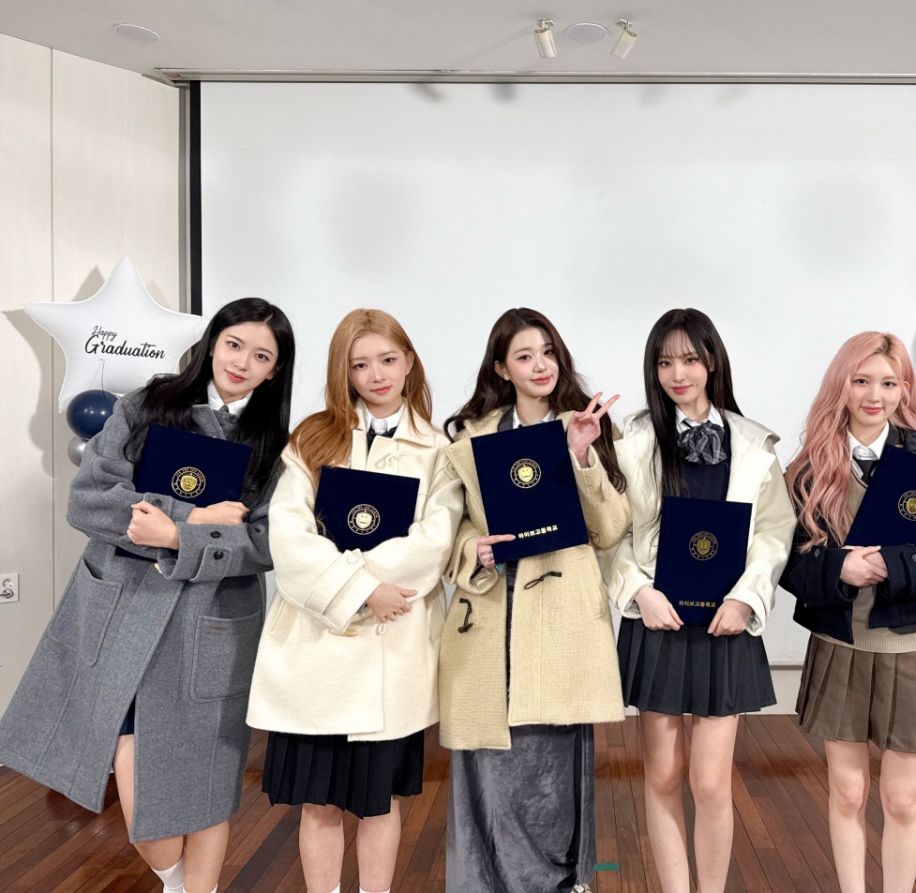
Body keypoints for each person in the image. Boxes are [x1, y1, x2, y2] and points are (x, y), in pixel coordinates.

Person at [0, 298, 295, 893]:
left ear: (274, 372)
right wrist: (190, 518)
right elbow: (89, 499)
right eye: (234, 344)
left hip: (212, 623)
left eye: (262, 356)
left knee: (208, 781)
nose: (242, 362)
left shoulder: (275, 444)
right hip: (124, 609)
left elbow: (265, 543)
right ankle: (178, 883)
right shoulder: (147, 404)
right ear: (213, 343)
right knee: (135, 774)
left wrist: (178, 538)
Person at [246, 309, 462, 893]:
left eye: (387, 360)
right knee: (317, 805)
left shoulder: (440, 450)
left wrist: (373, 585)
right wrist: (364, 589)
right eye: (360, 365)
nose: (377, 375)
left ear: (409, 361)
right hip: (315, 653)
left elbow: (436, 539)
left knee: (378, 803)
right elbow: (289, 537)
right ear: (343, 372)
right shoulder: (311, 438)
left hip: (393, 653)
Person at [780, 331, 916, 893]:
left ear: (905, 389)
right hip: (839, 647)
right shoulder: (808, 465)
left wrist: (898, 565)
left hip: (914, 650)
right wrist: (839, 568)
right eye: (861, 381)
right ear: (842, 385)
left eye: (889, 383)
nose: (874, 396)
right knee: (847, 792)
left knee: (902, 798)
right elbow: (783, 560)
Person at [438, 307, 628, 893]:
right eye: (524, 356)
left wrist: (581, 456)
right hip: (490, 616)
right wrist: (473, 548)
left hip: (559, 622)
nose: (540, 365)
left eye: (548, 352)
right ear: (501, 368)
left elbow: (611, 530)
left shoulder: (586, 427)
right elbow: (450, 531)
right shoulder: (470, 440)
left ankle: (556, 883)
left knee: (550, 770)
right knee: (486, 769)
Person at [607, 307, 793, 893]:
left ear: (712, 361)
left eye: (690, 359)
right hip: (656, 622)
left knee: (710, 783)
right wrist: (638, 591)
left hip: (725, 624)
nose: (678, 374)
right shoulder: (630, 440)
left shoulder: (754, 442)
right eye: (665, 362)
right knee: (663, 776)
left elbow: (774, 531)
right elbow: (610, 532)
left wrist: (746, 598)